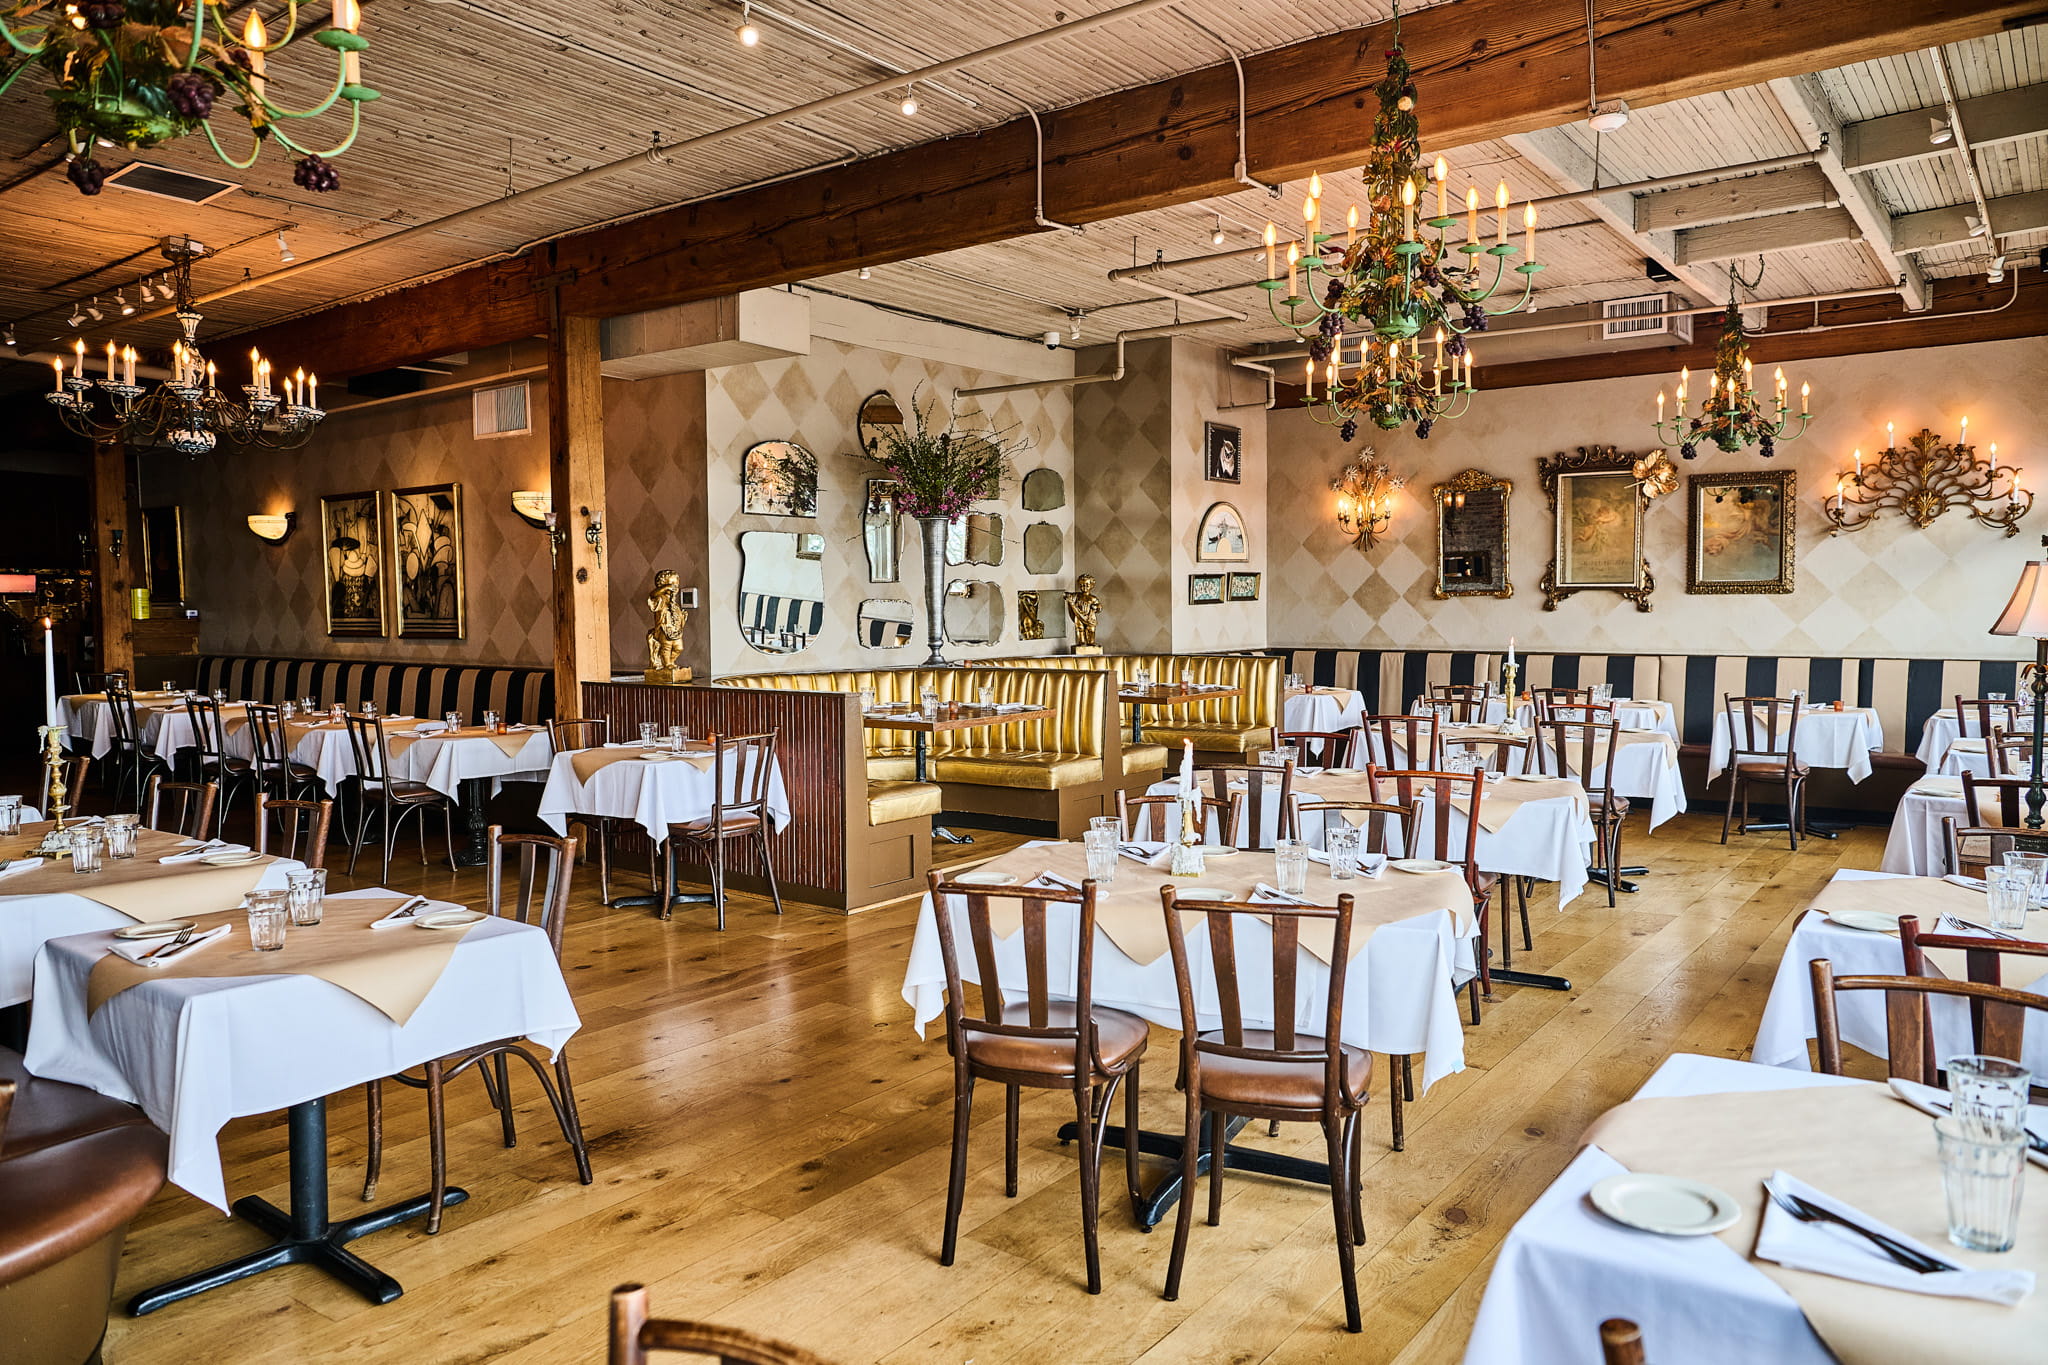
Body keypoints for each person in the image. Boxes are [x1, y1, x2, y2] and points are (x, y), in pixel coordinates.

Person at [1067, 574, 1101, 648]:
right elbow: (1068, 596)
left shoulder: (1093, 598)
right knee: (1080, 628)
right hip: (1079, 616)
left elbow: (1099, 607)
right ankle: (1081, 642)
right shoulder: (1077, 596)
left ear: (1091, 585)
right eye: (1081, 585)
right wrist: (1068, 597)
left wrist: (1096, 607)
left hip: (1090, 617)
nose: (1084, 587)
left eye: (1087, 585)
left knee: (1091, 629)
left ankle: (1091, 642)